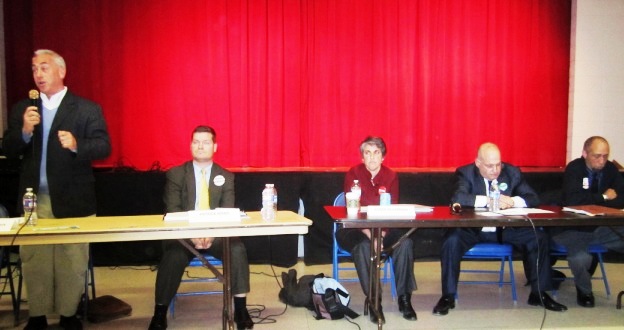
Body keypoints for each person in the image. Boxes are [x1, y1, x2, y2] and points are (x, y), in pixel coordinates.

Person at [2, 49, 111, 330]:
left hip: (74, 199)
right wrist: (25, 131)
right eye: (34, 68)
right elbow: (9, 148)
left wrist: (77, 144)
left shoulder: (86, 108)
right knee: (35, 260)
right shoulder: (23, 108)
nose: (38, 74)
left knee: (71, 260)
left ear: (61, 71)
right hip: (33, 201)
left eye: (44, 67)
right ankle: (37, 317)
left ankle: (68, 315)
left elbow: (103, 146)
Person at [432, 142, 567, 316]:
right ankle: (448, 296)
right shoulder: (465, 173)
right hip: (474, 230)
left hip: (506, 229)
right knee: (451, 241)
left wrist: (513, 201)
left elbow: (533, 198)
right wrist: (488, 200)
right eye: (489, 165)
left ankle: (539, 293)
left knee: (537, 237)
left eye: (498, 164)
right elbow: (459, 197)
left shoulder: (512, 173)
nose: (495, 170)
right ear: (478, 163)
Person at [149, 125, 253, 330]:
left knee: (237, 249)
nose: (200, 146)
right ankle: (159, 313)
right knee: (173, 256)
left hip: (216, 234)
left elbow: (227, 211)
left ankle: (240, 309)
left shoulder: (226, 176)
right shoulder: (176, 174)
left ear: (215, 146)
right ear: (190, 145)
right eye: (196, 142)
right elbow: (173, 211)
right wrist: (193, 235)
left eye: (206, 142)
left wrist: (211, 235)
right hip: (184, 235)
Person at [335, 136, 417, 324]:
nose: (372, 158)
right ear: (362, 157)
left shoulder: (391, 176)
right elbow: (352, 210)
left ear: (383, 157)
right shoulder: (352, 174)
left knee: (405, 242)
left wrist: (381, 234)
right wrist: (371, 235)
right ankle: (374, 301)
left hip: (384, 228)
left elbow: (392, 209)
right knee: (364, 247)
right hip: (354, 228)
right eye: (367, 153)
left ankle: (405, 299)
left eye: (376, 153)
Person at [552, 136, 624, 307]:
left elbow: (621, 199)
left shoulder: (610, 170)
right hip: (574, 229)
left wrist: (593, 202)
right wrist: (604, 197)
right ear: (585, 154)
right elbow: (573, 199)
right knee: (580, 258)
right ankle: (585, 292)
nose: (602, 161)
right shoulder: (575, 169)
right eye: (597, 156)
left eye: (605, 156)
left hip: (601, 228)